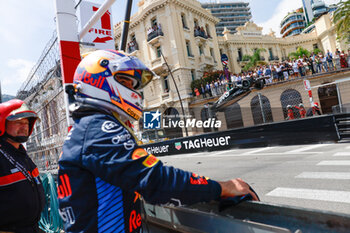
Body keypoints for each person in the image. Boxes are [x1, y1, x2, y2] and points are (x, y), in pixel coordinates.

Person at [58, 50, 259, 232]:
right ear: (99, 80)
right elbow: (155, 181)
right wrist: (223, 187)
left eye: (133, 84)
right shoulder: (98, 130)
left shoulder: (85, 129)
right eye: (126, 82)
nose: (133, 90)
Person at [0, 99, 45, 233]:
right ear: (2, 124)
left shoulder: (21, 154)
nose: (24, 126)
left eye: (27, 123)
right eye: (18, 122)